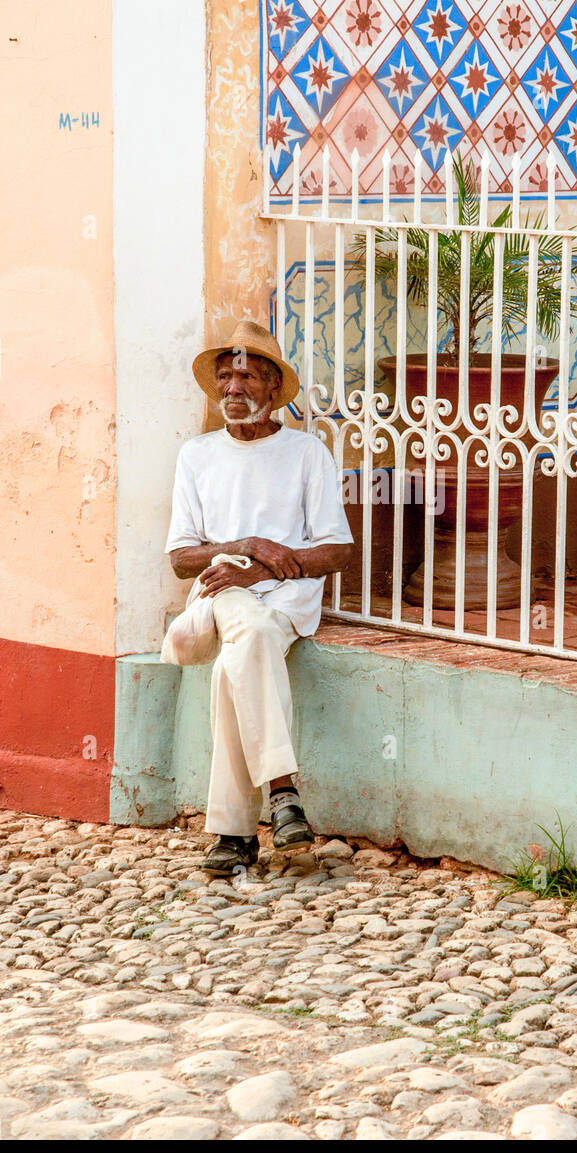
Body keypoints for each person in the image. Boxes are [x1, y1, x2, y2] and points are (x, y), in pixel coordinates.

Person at [164, 321, 354, 876]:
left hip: (287, 602)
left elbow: (337, 550)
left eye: (246, 376)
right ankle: (283, 791)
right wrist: (247, 550)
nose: (233, 387)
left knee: (235, 666)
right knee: (242, 620)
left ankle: (234, 833)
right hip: (220, 592)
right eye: (224, 377)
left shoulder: (305, 453)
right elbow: (180, 558)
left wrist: (263, 568)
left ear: (273, 389)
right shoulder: (196, 456)